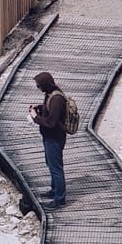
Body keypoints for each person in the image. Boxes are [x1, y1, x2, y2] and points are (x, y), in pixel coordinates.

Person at [29, 70, 68, 208]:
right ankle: (54, 190)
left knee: (55, 168)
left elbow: (51, 122)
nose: (38, 88)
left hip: (55, 138)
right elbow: (50, 111)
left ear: (45, 85)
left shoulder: (57, 99)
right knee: (51, 164)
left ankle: (60, 198)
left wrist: (35, 117)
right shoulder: (50, 94)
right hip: (50, 137)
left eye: (39, 86)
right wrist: (39, 108)